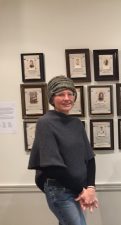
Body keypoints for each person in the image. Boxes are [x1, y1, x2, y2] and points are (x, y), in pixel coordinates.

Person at [28, 75, 98, 225]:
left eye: (70, 94)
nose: (67, 98)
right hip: (59, 190)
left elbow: (89, 158)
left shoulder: (76, 123)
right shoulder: (45, 123)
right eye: (61, 94)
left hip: (78, 188)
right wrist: (82, 191)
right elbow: (52, 167)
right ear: (52, 98)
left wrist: (90, 188)